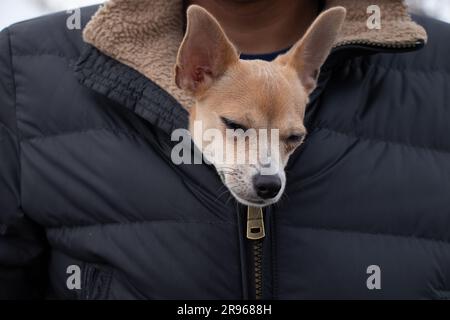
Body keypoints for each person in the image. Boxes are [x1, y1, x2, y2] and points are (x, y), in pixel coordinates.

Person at [0, 0, 449, 300]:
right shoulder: (23, 69)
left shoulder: (438, 71)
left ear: (310, 75)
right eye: (236, 128)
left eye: (290, 139)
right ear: (194, 69)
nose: (269, 170)